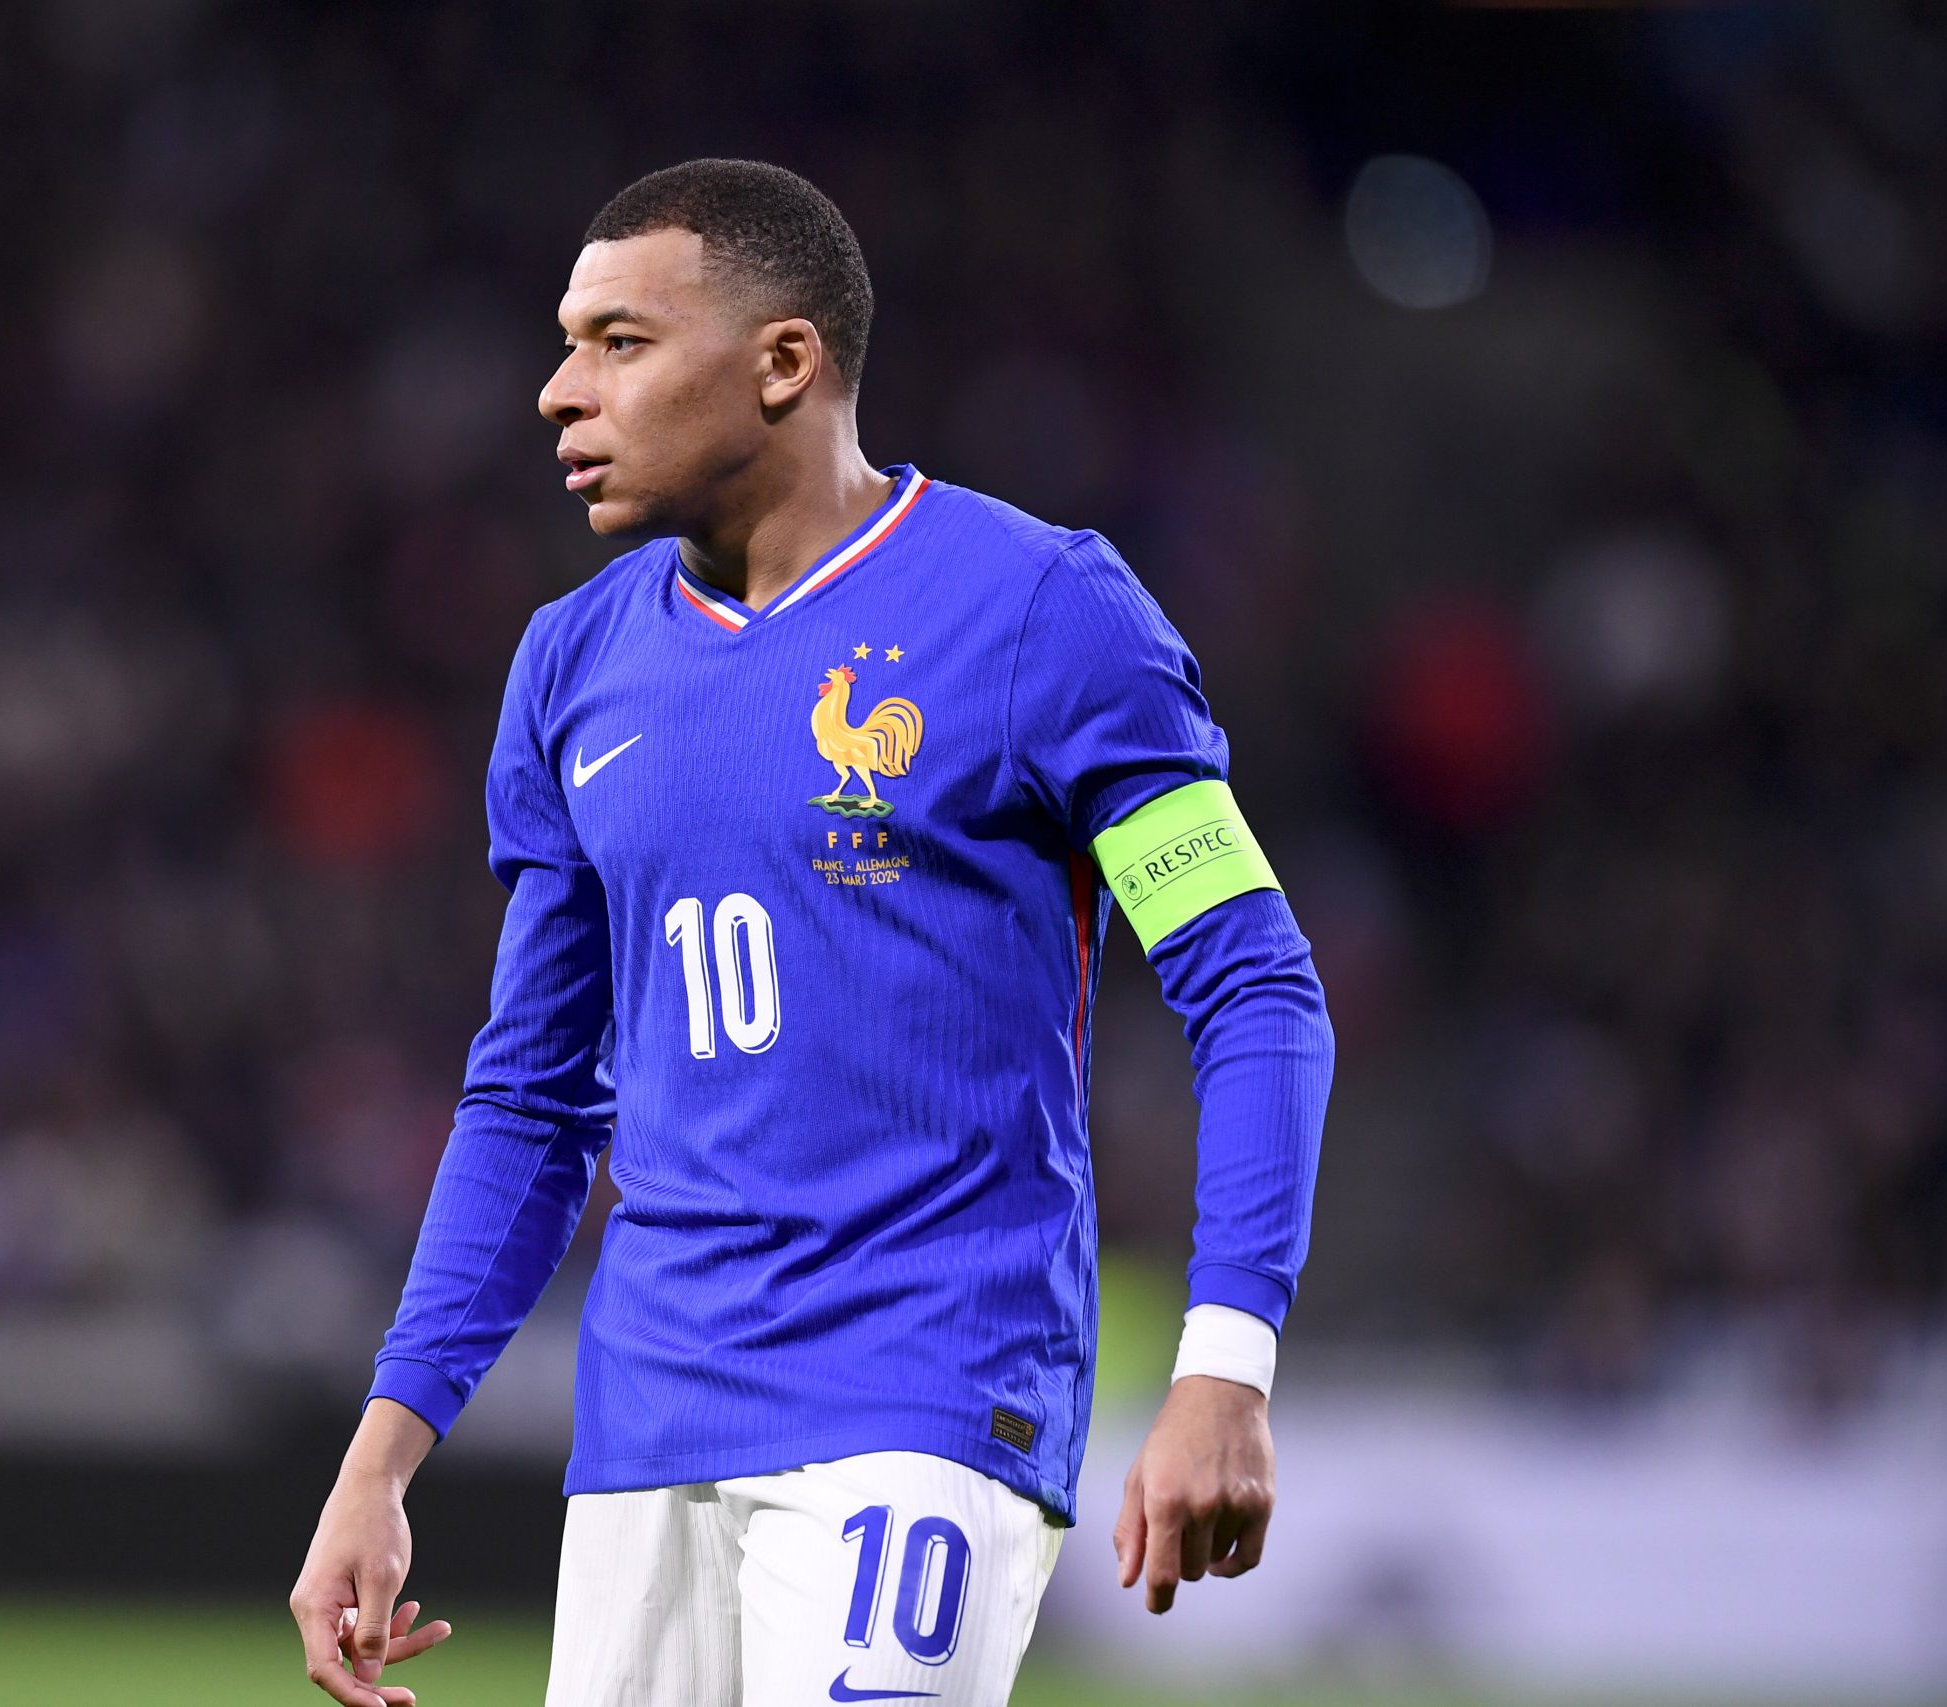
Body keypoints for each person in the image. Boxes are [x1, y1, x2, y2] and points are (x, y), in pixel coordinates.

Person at [290, 158, 1335, 1707]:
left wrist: (1226, 1362)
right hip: (649, 1426)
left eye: (620, 342)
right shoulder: (573, 669)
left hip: (923, 1389)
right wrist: (382, 1455)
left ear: (784, 363)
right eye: (567, 341)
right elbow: (531, 1100)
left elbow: (1255, 989)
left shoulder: (1043, 613)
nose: (558, 392)